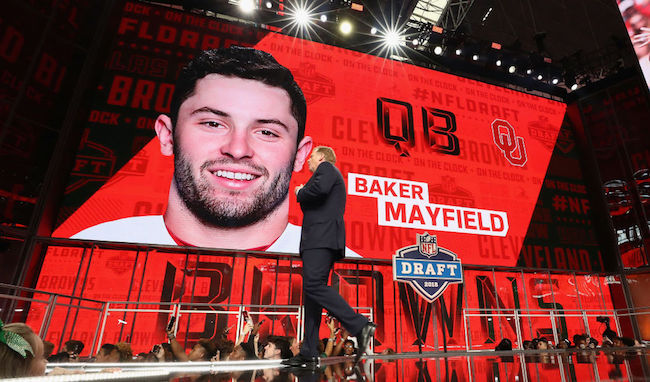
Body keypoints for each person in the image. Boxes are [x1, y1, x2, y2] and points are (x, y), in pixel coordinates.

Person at [70, 47, 358, 257]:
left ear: (300, 155)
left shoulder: (348, 270)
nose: (237, 149)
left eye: (267, 132)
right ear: (167, 135)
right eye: (213, 123)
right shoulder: (86, 249)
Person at [283, 146, 375, 368]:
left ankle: (359, 325)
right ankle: (309, 350)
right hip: (319, 239)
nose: (308, 162)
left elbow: (315, 193)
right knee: (311, 296)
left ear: (322, 157)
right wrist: (304, 193)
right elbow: (311, 204)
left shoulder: (326, 169)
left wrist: (299, 192)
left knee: (314, 285)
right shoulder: (325, 176)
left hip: (320, 239)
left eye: (311, 157)